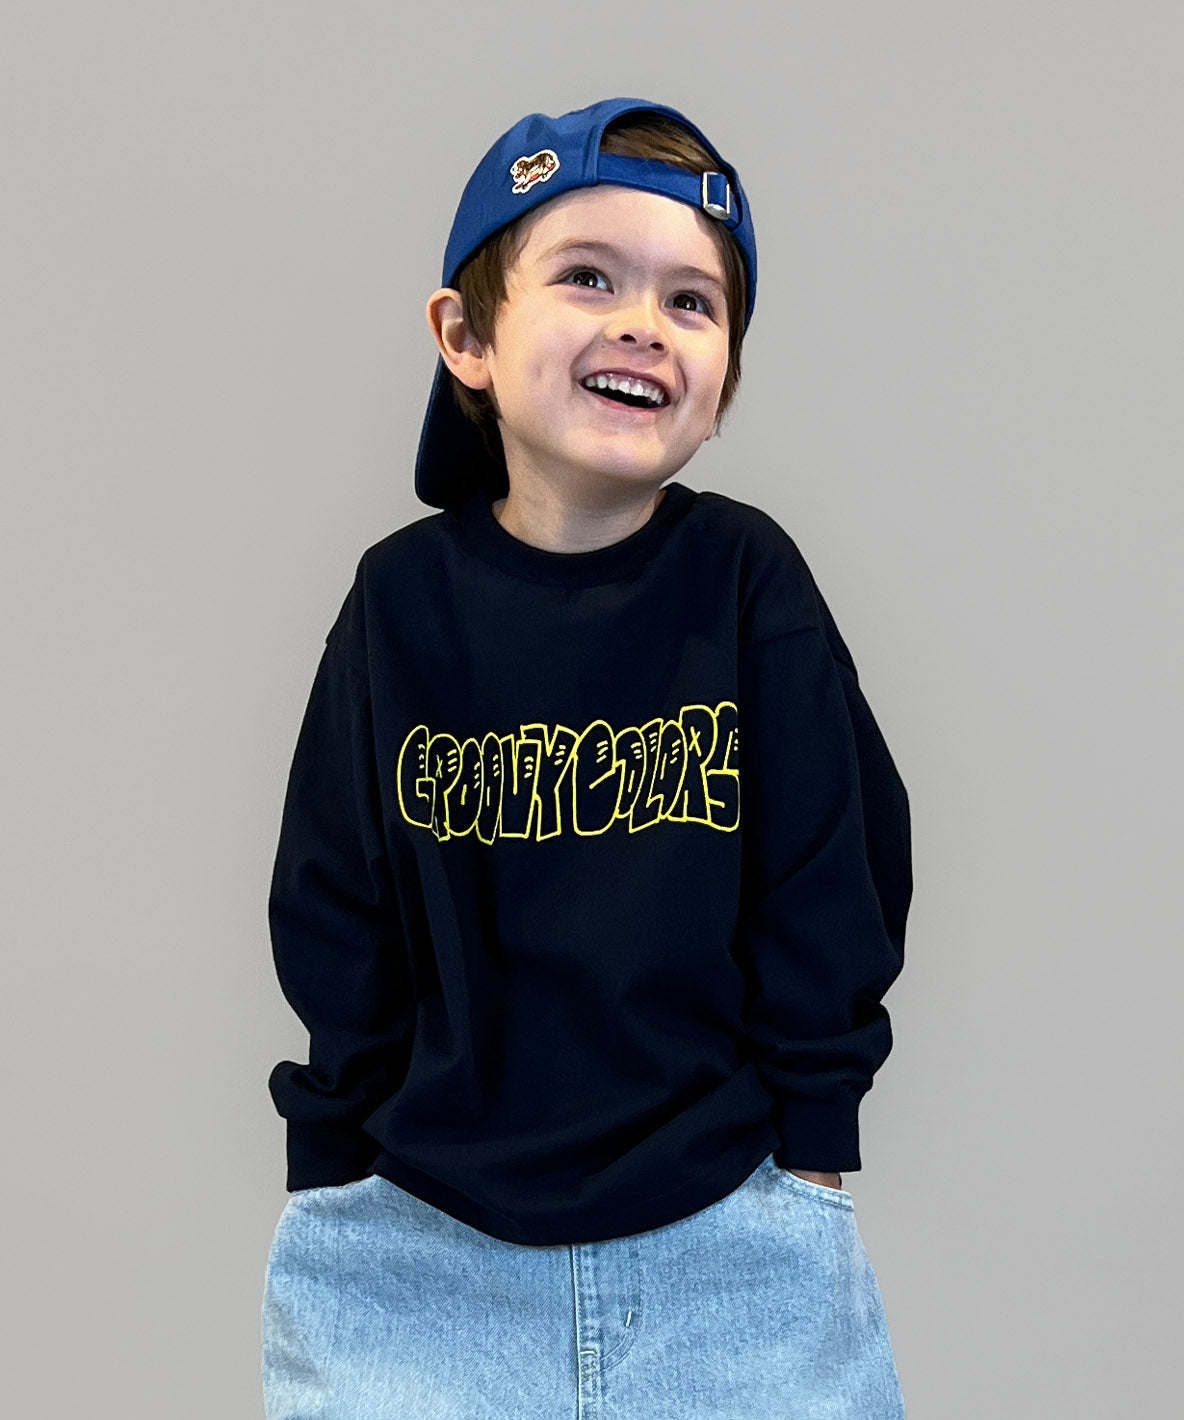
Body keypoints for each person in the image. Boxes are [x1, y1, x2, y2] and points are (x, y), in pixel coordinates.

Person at [260, 97, 913, 1420]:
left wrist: (816, 1148)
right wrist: (332, 1160)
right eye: (589, 278)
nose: (643, 325)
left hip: (728, 1234)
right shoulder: (399, 605)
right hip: (421, 1247)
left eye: (692, 302)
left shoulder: (746, 582)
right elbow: (335, 898)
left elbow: (833, 872)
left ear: (724, 380)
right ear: (468, 337)